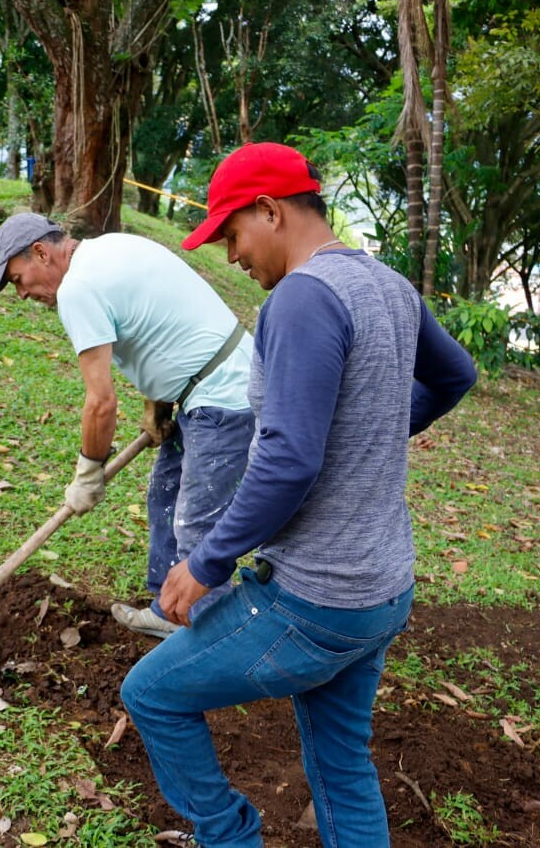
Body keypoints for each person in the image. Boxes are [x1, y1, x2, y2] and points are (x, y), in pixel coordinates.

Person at [120, 143, 478, 848]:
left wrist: (207, 561)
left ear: (270, 210)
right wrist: (370, 428)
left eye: (230, 233)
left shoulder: (301, 298)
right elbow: (455, 375)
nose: (230, 255)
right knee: (343, 762)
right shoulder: (390, 286)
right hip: (382, 591)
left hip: (314, 600)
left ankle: (230, 837)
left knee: (151, 694)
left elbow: (286, 462)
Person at [0, 212, 256, 639]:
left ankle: (210, 635)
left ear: (41, 251)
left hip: (224, 398)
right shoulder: (110, 247)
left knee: (197, 525)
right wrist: (157, 407)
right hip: (205, 387)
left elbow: (100, 403)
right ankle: (170, 610)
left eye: (18, 279)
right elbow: (159, 327)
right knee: (165, 493)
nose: (21, 294)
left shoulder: (78, 288)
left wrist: (88, 473)